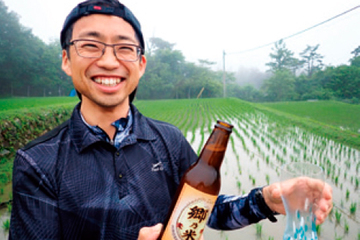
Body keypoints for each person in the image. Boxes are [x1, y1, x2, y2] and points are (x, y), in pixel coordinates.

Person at [9, 0, 333, 239]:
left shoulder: (168, 140)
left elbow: (202, 210)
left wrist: (266, 200)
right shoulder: (38, 162)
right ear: (66, 59)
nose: (108, 61)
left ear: (141, 64)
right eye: (90, 46)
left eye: (124, 48)